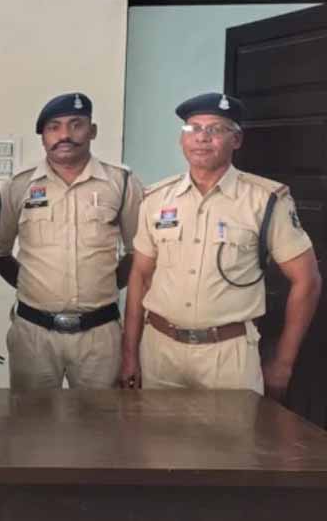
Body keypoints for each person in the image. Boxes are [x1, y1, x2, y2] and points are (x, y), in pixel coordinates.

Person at [121, 92, 321, 399]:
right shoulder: (156, 199)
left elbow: (306, 281)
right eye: (193, 128)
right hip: (159, 352)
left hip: (228, 356)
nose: (202, 137)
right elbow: (140, 276)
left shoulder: (265, 200)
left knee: (233, 432)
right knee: (155, 431)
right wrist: (130, 354)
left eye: (216, 129)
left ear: (236, 140)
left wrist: (283, 362)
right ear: (182, 139)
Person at [0, 93, 143, 389]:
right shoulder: (19, 186)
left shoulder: (121, 183)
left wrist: (107, 284)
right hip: (34, 333)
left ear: (92, 130)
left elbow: (138, 252)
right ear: (43, 137)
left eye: (76, 125)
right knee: (31, 416)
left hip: (99, 335)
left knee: (100, 417)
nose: (65, 135)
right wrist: (32, 284)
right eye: (54, 127)